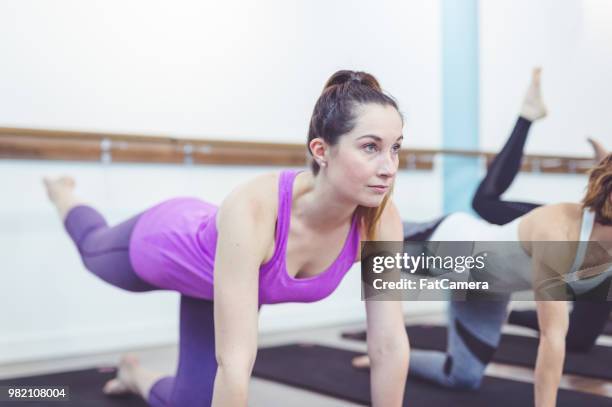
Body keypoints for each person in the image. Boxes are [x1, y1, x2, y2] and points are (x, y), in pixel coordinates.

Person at [43, 70, 410, 407]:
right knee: (93, 249)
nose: (389, 167)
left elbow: (388, 343)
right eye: (370, 147)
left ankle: (133, 375)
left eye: (395, 147)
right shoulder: (255, 206)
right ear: (321, 150)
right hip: (167, 245)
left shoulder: (381, 219)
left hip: (218, 286)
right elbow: (235, 361)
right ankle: (64, 194)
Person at [354, 68, 612, 407]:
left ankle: (381, 358)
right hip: (452, 247)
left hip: (487, 290)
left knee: (462, 377)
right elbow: (552, 339)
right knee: (361, 243)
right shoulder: (559, 230)